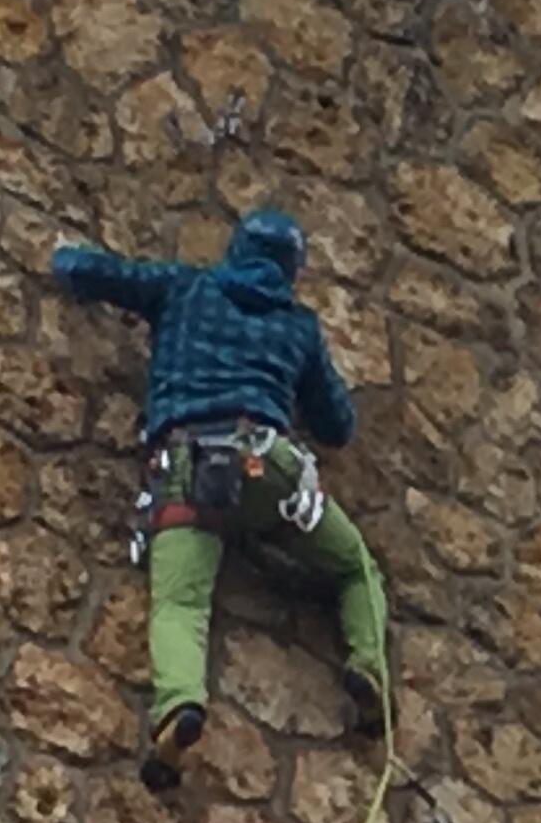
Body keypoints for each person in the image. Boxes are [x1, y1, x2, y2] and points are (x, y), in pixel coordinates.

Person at [51, 209, 389, 791]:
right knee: (356, 566)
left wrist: (63, 258)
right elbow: (337, 425)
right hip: (271, 468)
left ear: (236, 248)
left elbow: (103, 273)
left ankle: (179, 707)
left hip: (191, 463)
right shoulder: (298, 327)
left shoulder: (185, 288)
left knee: (180, 603)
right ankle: (368, 667)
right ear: (291, 270)